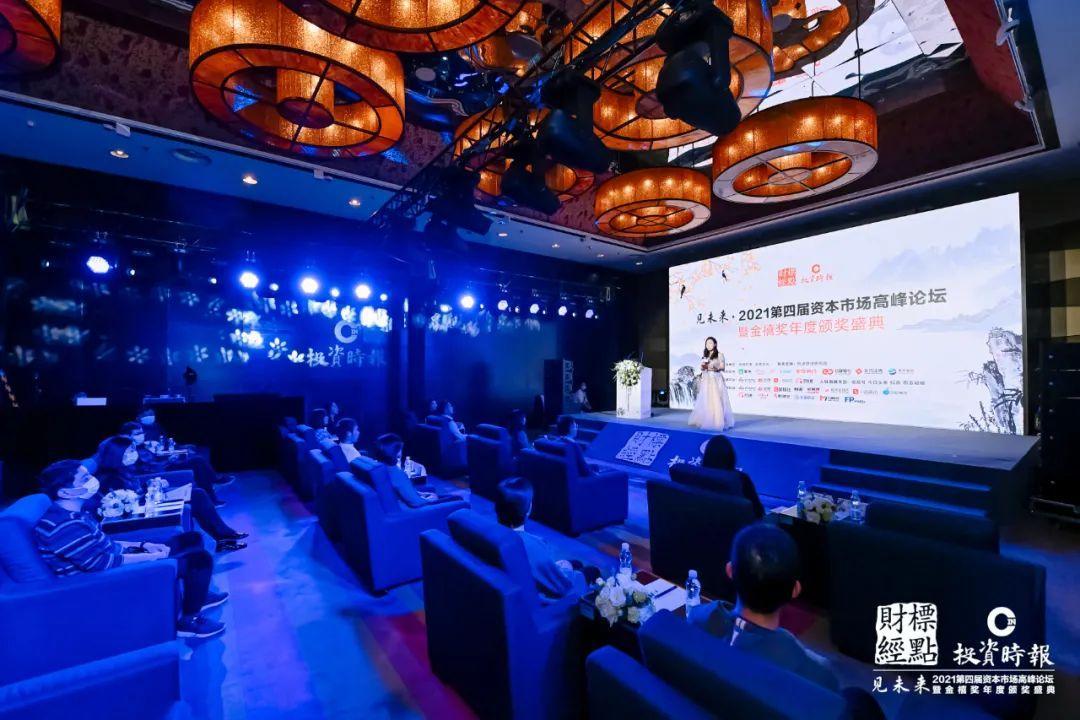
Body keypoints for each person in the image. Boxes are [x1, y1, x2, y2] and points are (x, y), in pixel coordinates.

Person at [34, 460, 227, 638]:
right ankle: (188, 621)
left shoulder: (75, 514)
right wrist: (150, 557)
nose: (92, 480)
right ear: (65, 493)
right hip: (103, 582)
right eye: (85, 479)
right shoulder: (64, 526)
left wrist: (143, 545)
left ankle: (198, 595)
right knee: (198, 561)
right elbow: (102, 563)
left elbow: (107, 543)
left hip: (112, 565)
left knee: (190, 540)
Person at [95, 434, 247, 552]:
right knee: (197, 496)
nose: (134, 454)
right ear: (117, 454)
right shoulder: (110, 479)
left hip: (148, 503)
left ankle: (223, 537)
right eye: (130, 451)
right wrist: (150, 491)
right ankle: (224, 536)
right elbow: (127, 507)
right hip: (144, 513)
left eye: (133, 450)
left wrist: (151, 485)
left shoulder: (125, 469)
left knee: (198, 494)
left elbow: (137, 490)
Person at [494, 477, 590, 601]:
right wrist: (567, 570)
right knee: (590, 571)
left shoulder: (489, 536)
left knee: (575, 563)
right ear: (529, 508)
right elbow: (562, 588)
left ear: (497, 508)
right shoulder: (532, 545)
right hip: (545, 602)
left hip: (517, 586)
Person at [117, 422, 226, 506]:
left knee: (197, 460)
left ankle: (212, 493)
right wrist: (168, 461)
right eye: (137, 434)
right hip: (159, 473)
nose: (141, 435)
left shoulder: (142, 446)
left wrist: (168, 459)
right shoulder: (129, 451)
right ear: (127, 436)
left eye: (142, 433)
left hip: (164, 466)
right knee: (197, 463)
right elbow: (148, 469)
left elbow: (154, 460)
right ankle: (213, 488)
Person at [374, 433, 454, 508]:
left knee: (440, 494)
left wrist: (421, 494)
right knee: (456, 498)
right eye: (400, 449)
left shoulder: (379, 469)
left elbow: (404, 492)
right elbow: (417, 503)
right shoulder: (397, 474)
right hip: (419, 511)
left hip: (406, 505)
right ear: (396, 452)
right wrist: (431, 499)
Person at [700, 435, 765, 517]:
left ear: (706, 456)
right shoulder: (741, 480)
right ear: (731, 456)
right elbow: (758, 511)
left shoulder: (697, 477)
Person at [688, 336, 734, 431]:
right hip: (707, 379)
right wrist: (703, 367)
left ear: (715, 344)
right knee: (707, 400)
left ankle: (718, 421)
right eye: (707, 343)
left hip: (716, 379)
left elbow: (722, 367)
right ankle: (707, 419)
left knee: (717, 399)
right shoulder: (705, 355)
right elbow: (702, 368)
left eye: (710, 343)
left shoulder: (720, 355)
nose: (708, 345)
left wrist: (714, 367)